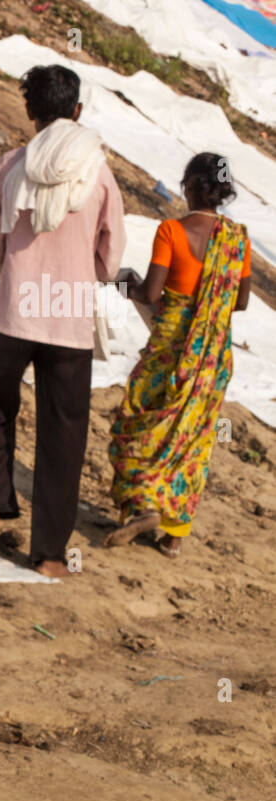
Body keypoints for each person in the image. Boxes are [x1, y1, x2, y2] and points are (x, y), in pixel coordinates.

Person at [0, 64, 127, 578]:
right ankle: (50, 557)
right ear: (77, 111)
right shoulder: (99, 174)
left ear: (31, 111)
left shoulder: (12, 164)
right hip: (69, 322)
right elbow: (110, 256)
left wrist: (12, 260)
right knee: (63, 435)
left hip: (16, 312)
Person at [104, 153, 251, 557]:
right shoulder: (237, 238)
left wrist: (122, 285)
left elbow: (151, 294)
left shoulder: (171, 231)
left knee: (139, 421)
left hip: (170, 347)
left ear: (189, 185)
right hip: (212, 359)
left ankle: (145, 503)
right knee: (193, 437)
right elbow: (239, 302)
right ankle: (174, 535)